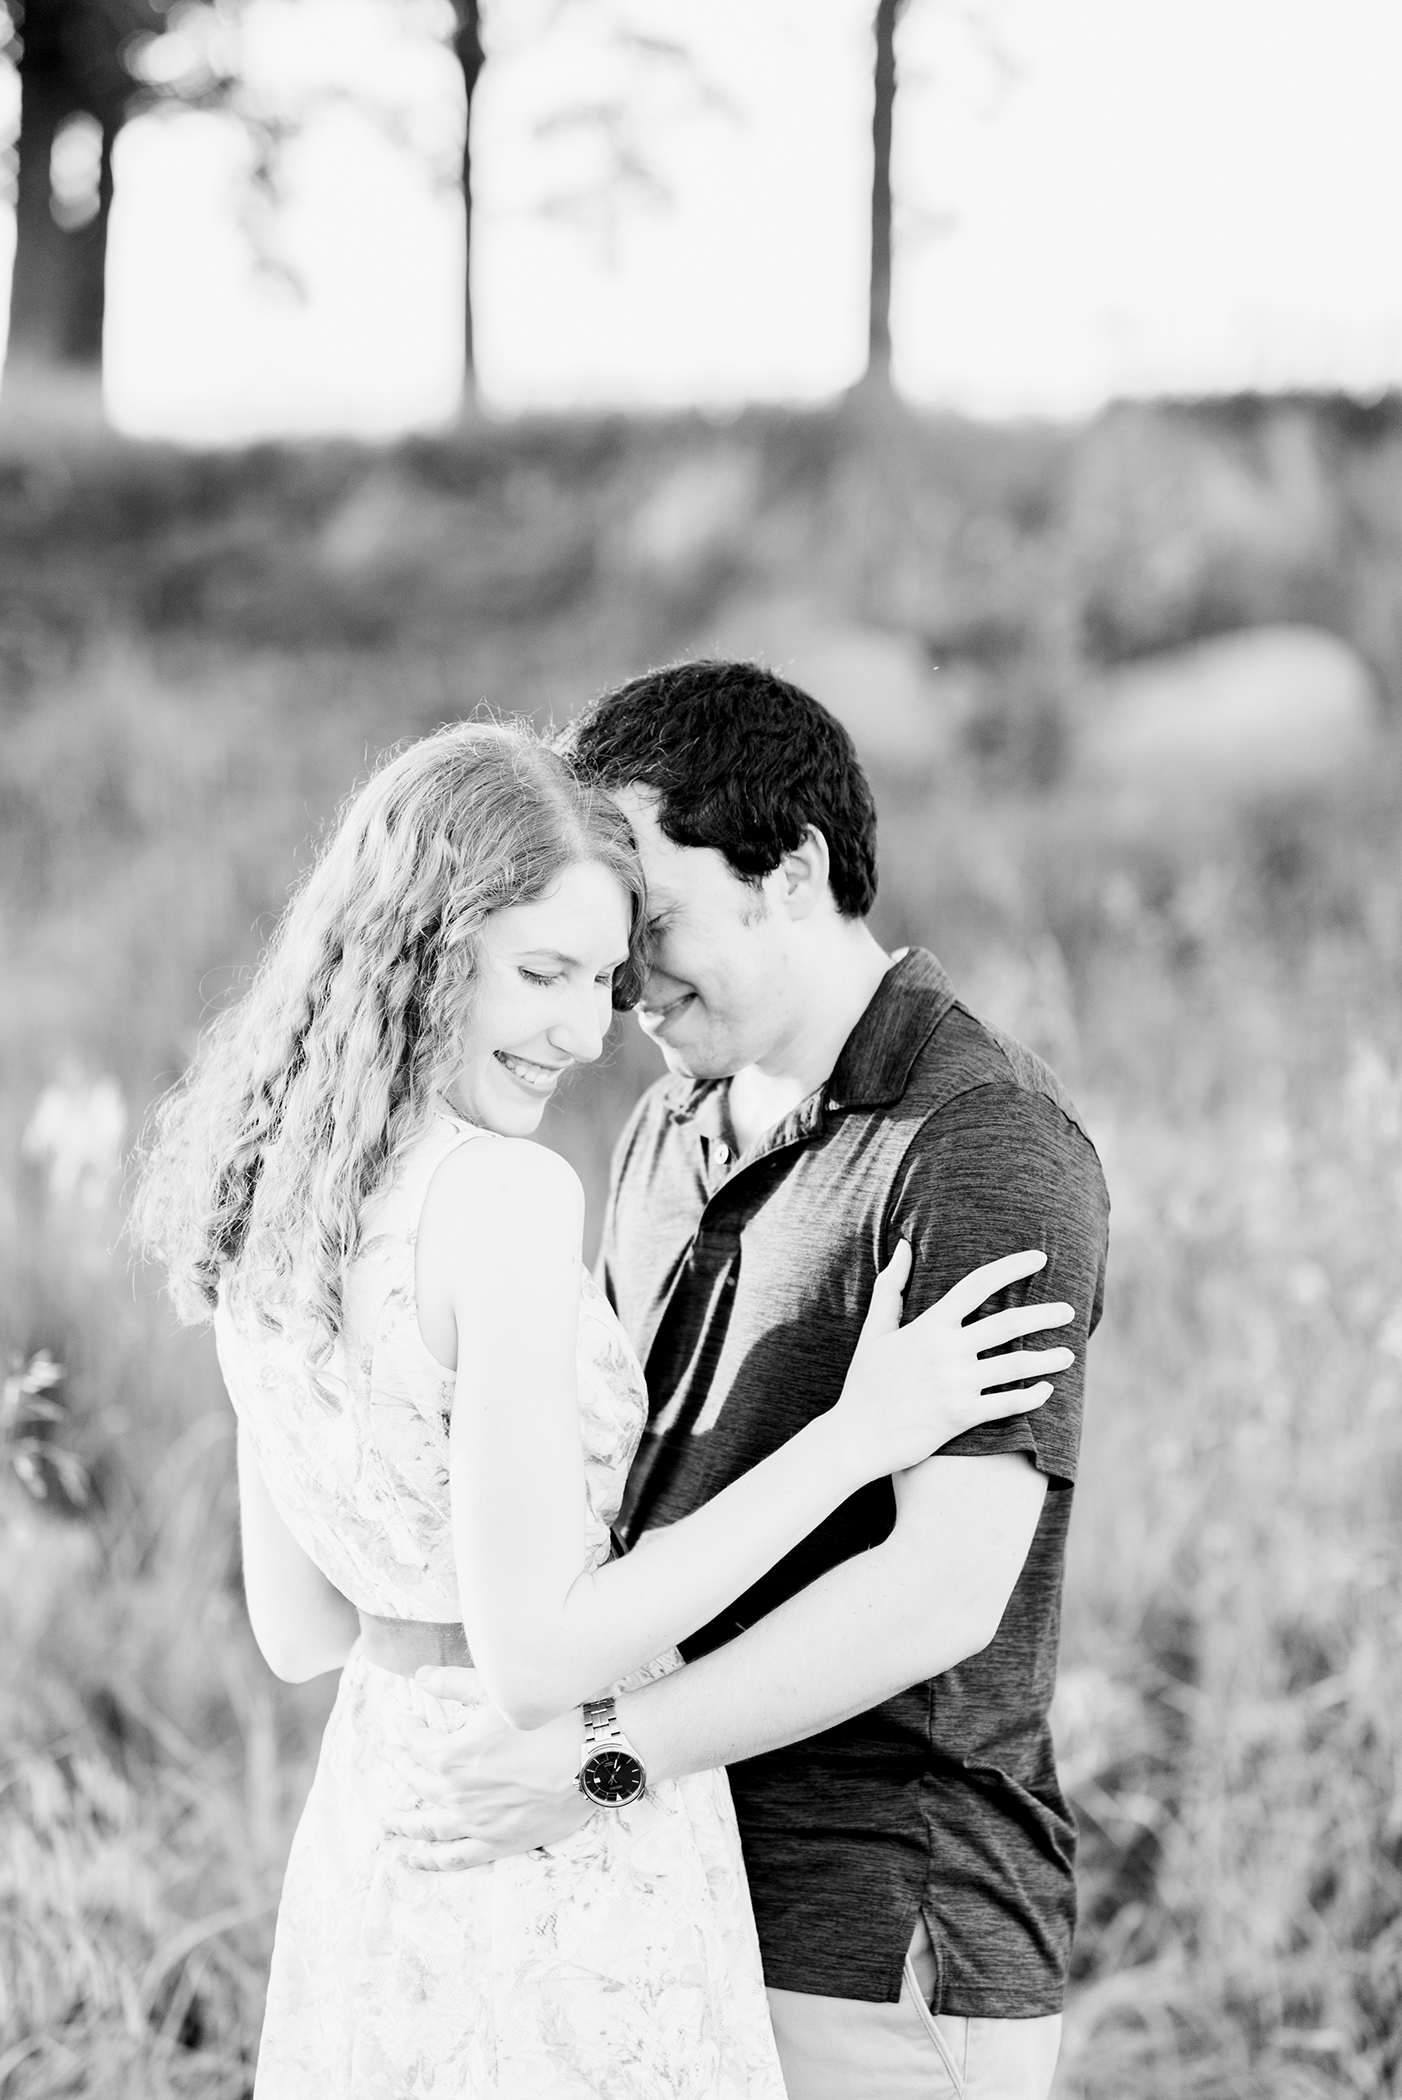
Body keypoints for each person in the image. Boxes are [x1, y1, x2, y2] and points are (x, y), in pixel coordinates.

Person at [131, 719, 1077, 2100]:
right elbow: (538, 1659)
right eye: (544, 974)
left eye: (607, 973)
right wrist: (854, 1438)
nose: (589, 1031)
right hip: (560, 1829)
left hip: (386, 1826)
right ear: (421, 945)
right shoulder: (502, 1196)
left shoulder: (272, 1193)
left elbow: (299, 1630)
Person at [387, 667, 1111, 2100]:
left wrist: (601, 1760)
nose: (620, 989)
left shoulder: (977, 1143)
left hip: (878, 1926)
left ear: (789, 873)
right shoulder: (666, 1126)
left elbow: (940, 1592)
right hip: (671, 1885)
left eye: (650, 927)